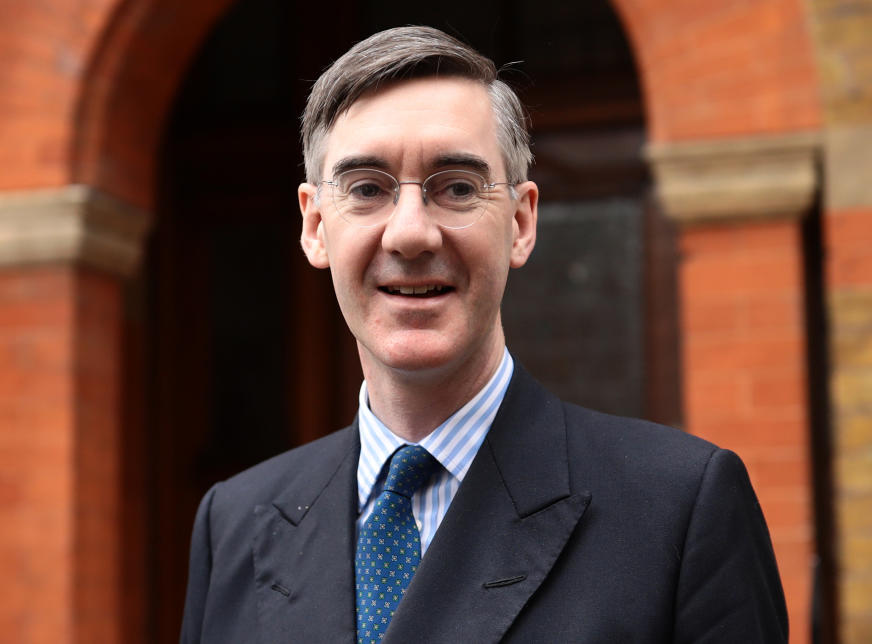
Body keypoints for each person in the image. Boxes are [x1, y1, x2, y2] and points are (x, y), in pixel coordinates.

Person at [180, 26, 788, 644]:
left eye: (457, 188)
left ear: (522, 222)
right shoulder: (234, 526)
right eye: (367, 189)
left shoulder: (678, 509)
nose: (410, 233)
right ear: (314, 226)